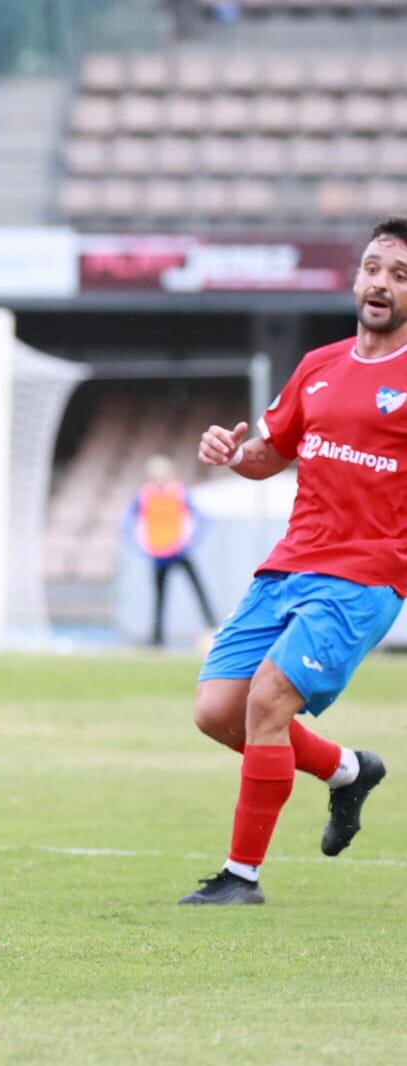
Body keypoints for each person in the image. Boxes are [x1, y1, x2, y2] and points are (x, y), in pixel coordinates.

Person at [181, 217, 407, 905]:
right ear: (356, 277)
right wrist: (231, 452)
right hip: (290, 564)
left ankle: (240, 878)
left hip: (364, 575)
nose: (381, 284)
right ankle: (347, 771)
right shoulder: (319, 365)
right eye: (373, 268)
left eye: (400, 276)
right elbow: (269, 455)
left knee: (268, 699)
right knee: (216, 711)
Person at [125, 454, 216, 647]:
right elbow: (127, 521)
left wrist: (191, 541)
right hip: (158, 553)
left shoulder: (178, 492)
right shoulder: (145, 495)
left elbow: (202, 517)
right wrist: (139, 545)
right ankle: (157, 638)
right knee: (160, 597)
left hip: (179, 550)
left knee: (197, 589)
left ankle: (212, 627)